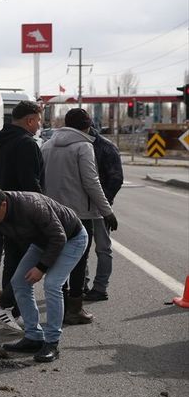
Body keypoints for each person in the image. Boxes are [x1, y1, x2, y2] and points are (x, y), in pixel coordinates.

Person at [0, 186, 88, 363]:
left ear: (3, 205)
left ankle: (52, 343)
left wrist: (41, 267)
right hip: (42, 242)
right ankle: (33, 337)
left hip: (72, 239)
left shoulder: (32, 205)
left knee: (52, 284)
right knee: (19, 282)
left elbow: (58, 237)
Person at [41, 108, 118, 324]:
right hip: (79, 215)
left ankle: (61, 307)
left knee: (58, 259)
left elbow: (42, 180)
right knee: (78, 261)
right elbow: (91, 182)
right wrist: (107, 212)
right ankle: (74, 310)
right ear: (87, 126)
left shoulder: (47, 146)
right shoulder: (84, 146)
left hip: (53, 213)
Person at [0, 100, 45, 332]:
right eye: (38, 121)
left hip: (2, 210)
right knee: (27, 264)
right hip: (23, 212)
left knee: (12, 261)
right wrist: (42, 210)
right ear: (29, 120)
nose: (39, 125)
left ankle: (12, 312)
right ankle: (7, 308)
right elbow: (31, 183)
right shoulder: (26, 144)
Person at [83, 127, 123, 301]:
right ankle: (81, 284)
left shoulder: (106, 146)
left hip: (100, 208)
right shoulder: (79, 143)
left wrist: (103, 203)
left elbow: (116, 178)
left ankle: (100, 288)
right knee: (81, 248)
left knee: (103, 248)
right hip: (81, 206)